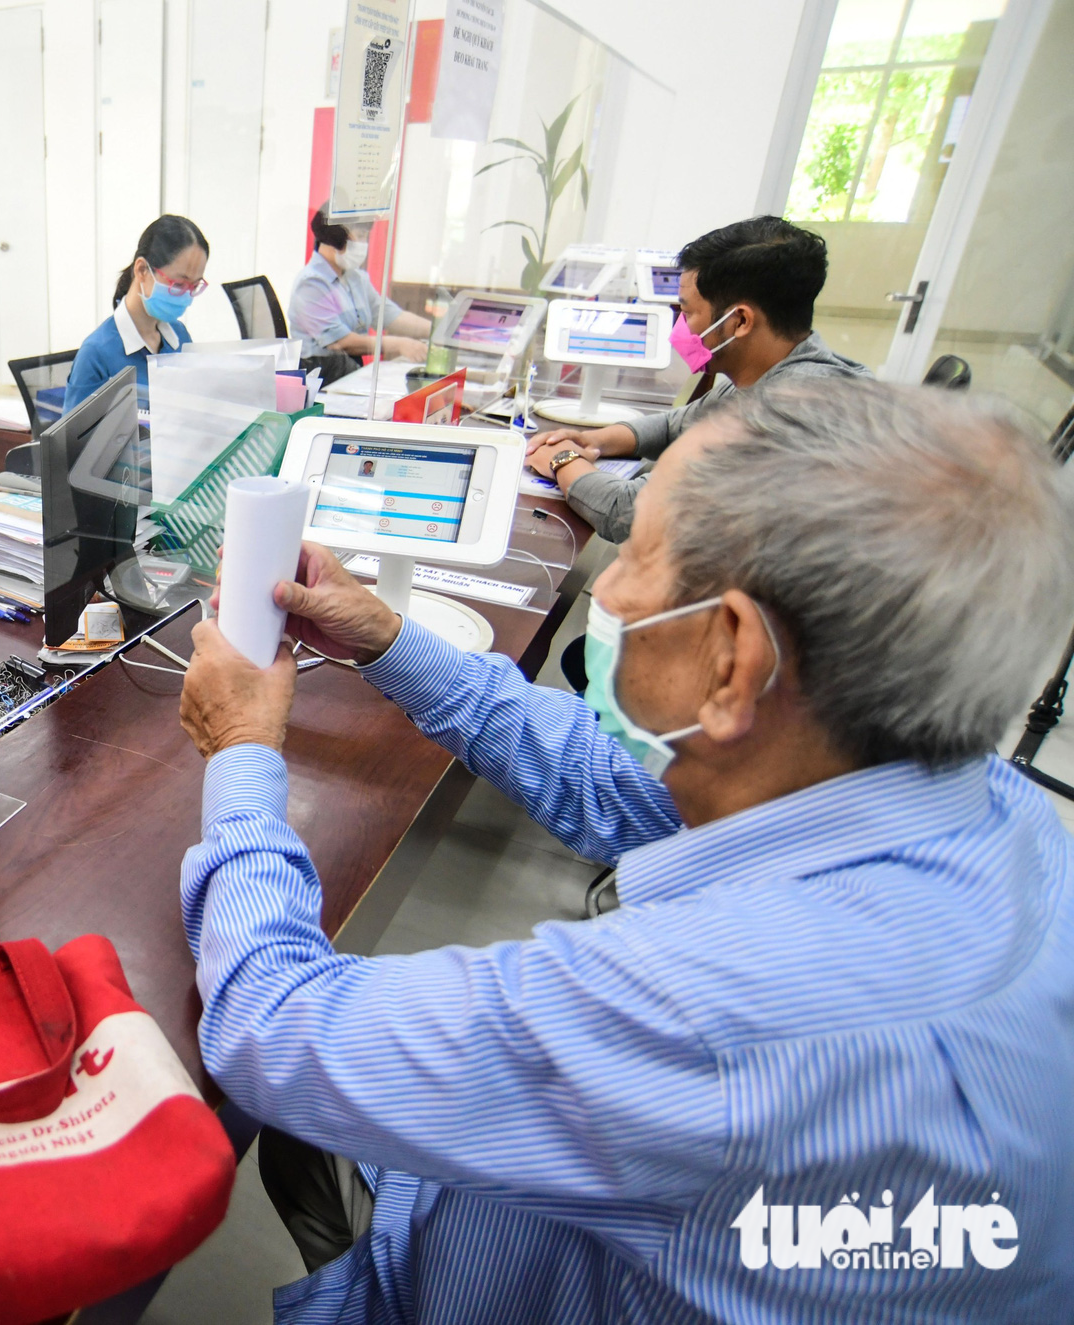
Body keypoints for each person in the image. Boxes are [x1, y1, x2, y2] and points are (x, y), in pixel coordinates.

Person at [176, 378, 1074, 1321]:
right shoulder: (981, 812)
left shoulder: (713, 1011)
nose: (602, 586)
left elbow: (271, 1030)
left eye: (638, 551)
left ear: (732, 655)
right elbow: (607, 780)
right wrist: (388, 638)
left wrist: (241, 753)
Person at [525, 216, 867, 543]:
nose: (682, 327)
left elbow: (628, 513)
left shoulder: (789, 411)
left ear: (740, 322)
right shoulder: (779, 368)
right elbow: (680, 423)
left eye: (687, 312)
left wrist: (562, 461)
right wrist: (595, 441)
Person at [62, 215, 209, 411]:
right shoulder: (97, 354)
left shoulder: (180, 336)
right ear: (141, 270)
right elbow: (75, 440)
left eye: (195, 285)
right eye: (179, 284)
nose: (187, 296)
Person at [288, 209, 431, 378]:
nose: (364, 244)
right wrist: (400, 344)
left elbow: (391, 317)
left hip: (349, 373)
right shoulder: (311, 284)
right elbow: (342, 342)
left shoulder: (355, 278)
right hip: (322, 379)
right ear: (336, 238)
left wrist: (437, 330)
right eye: (360, 236)